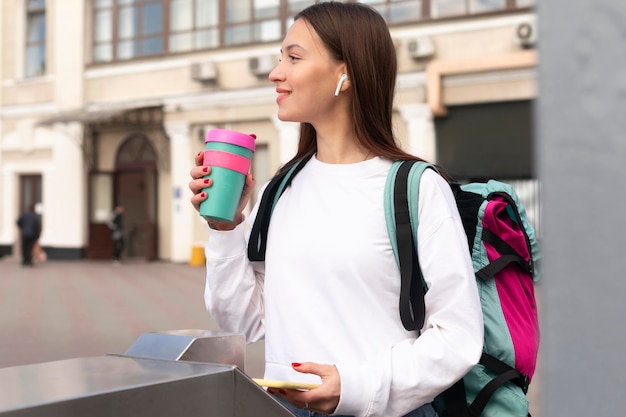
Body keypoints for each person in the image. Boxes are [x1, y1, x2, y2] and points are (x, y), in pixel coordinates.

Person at [189, 3, 483, 417]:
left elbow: (458, 336)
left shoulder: (415, 188)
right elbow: (245, 322)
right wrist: (223, 228)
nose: (276, 73)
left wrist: (355, 388)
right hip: (285, 408)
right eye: (279, 59)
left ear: (346, 73)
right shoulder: (282, 188)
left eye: (293, 58)